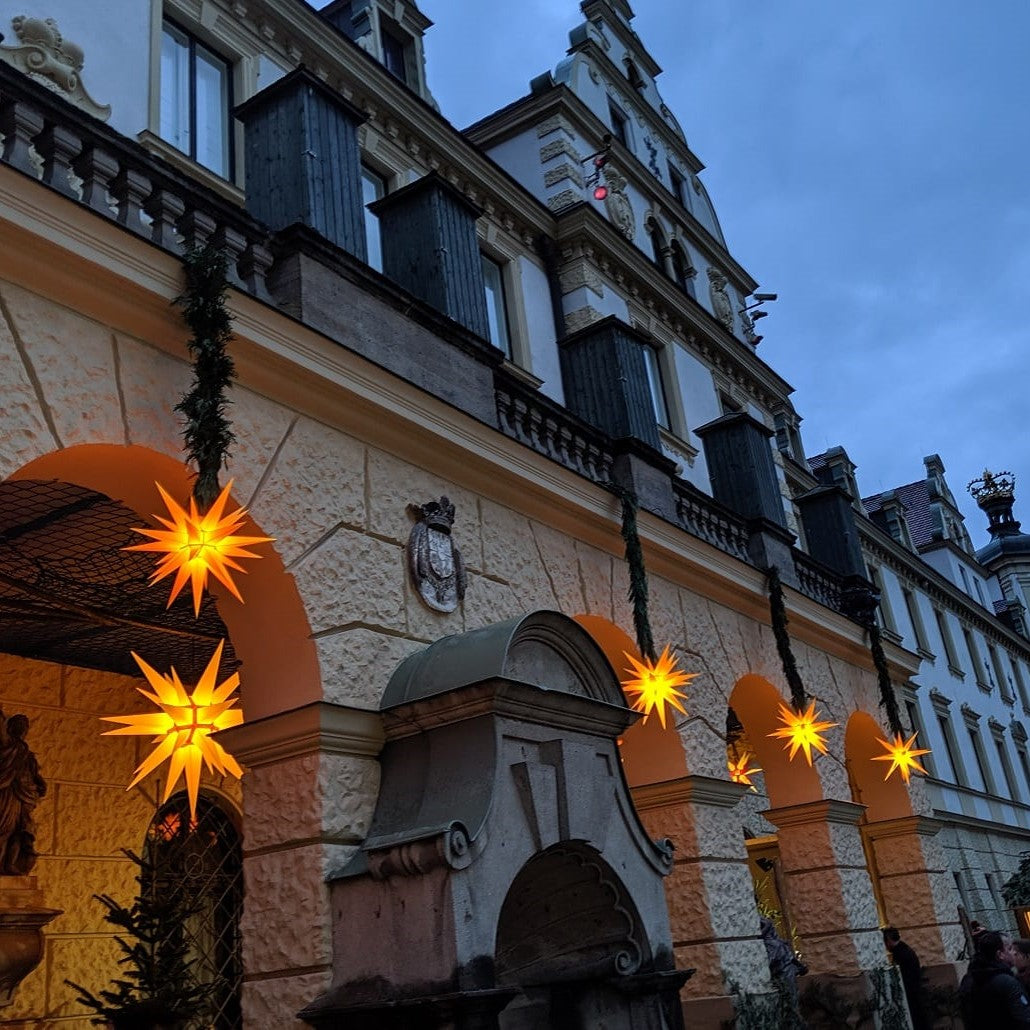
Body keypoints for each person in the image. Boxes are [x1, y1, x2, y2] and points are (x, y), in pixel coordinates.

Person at [960, 930, 1030, 1028]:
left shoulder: (970, 979)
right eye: (1009, 949)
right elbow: (1025, 1019)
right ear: (1000, 954)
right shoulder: (1007, 982)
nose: (1014, 952)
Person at [883, 927, 930, 1030]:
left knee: (916, 1019)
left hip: (910, 992)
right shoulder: (905, 949)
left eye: (885, 942)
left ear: (889, 940)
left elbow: (901, 975)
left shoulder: (900, 953)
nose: (885, 946)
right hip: (914, 990)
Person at [760, 916, 804, 1022]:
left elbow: (771, 961)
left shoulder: (773, 944)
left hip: (785, 972)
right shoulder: (773, 942)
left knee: (791, 999)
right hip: (783, 972)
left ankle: (794, 1021)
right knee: (789, 1000)